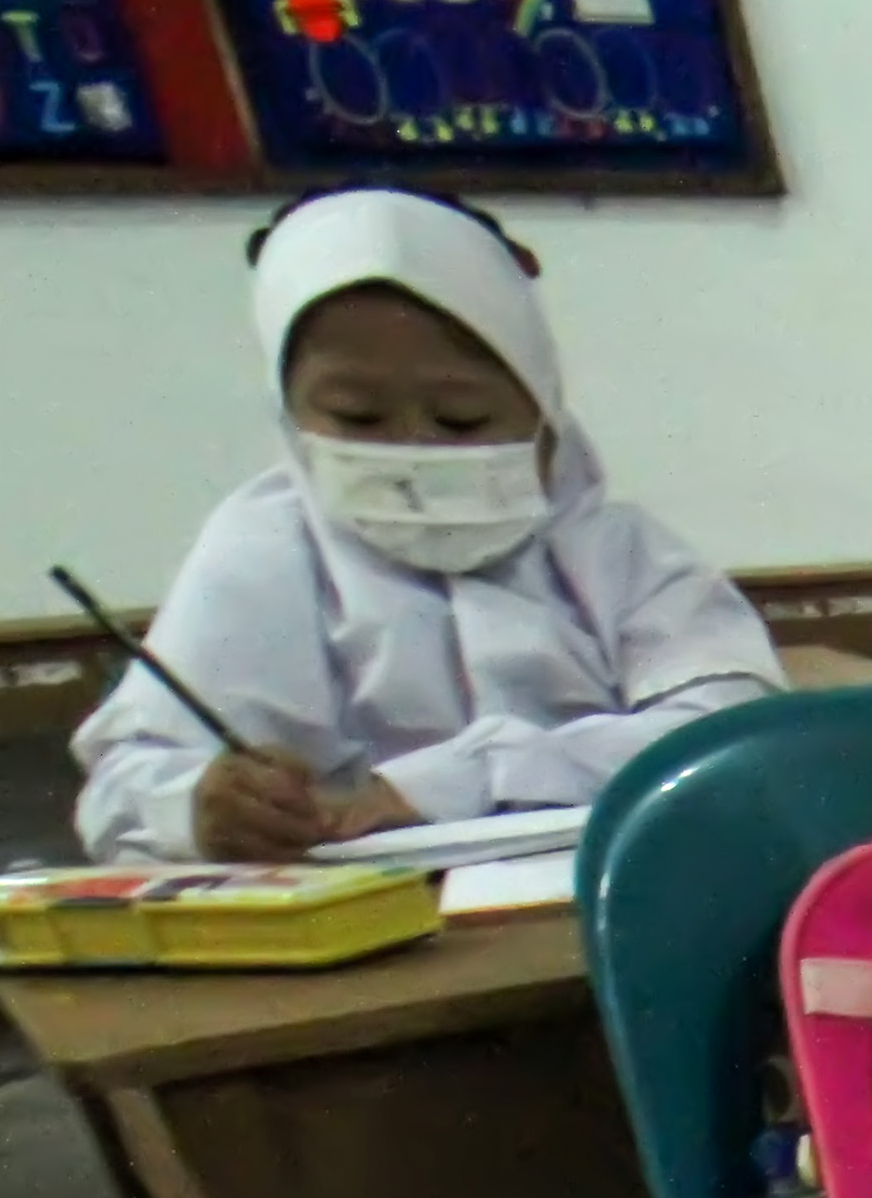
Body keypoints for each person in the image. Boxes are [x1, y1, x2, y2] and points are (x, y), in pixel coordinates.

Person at [72, 187, 781, 867]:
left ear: (542, 408)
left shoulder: (618, 551)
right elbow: (120, 791)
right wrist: (198, 808)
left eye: (461, 419)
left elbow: (734, 732)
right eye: (356, 418)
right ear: (292, 420)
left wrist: (461, 778)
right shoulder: (263, 550)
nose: (415, 450)